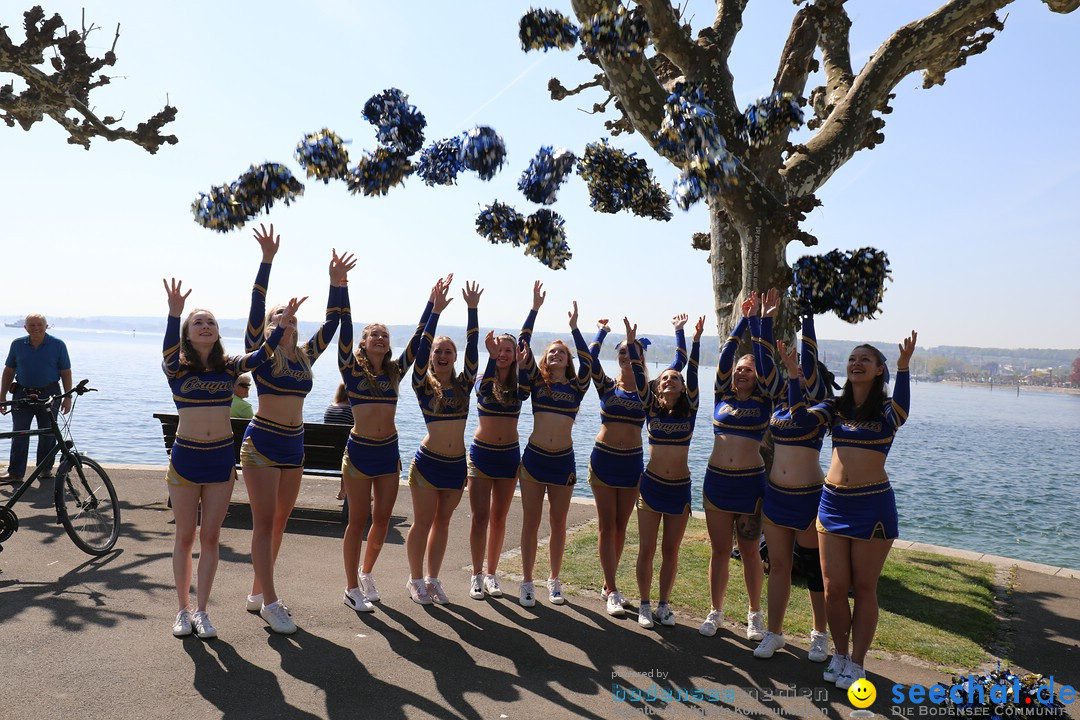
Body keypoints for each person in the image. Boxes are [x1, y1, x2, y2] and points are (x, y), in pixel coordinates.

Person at [161, 277, 301, 639]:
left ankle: (203, 610)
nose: (205, 326)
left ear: (217, 332)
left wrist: (279, 329)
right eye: (198, 322)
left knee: (210, 537)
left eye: (211, 322)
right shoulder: (176, 366)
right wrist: (174, 313)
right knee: (184, 537)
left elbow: (259, 356)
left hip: (220, 461)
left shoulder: (229, 366)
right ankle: (181, 610)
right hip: (186, 459)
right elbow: (167, 349)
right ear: (188, 333)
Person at [239, 225, 354, 634]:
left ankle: (257, 591)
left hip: (295, 446)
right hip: (263, 443)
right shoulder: (263, 356)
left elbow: (334, 325)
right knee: (264, 520)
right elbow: (255, 319)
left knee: (280, 522)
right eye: (280, 317)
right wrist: (266, 262)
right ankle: (271, 601)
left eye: (291, 317)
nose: (288, 321)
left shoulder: (305, 357)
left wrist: (335, 284)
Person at [338, 274, 445, 611]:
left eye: (385, 335)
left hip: (388, 453)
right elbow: (344, 329)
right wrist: (341, 287)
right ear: (363, 342)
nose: (381, 338)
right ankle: (351, 586)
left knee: (382, 520)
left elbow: (420, 342)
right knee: (357, 521)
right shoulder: (351, 371)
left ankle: (366, 573)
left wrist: (434, 307)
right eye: (374, 335)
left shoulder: (395, 372)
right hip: (359, 454)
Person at [817, 332, 917, 689]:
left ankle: (858, 662)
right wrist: (795, 373)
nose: (856, 363)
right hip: (831, 503)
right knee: (832, 588)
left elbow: (903, 410)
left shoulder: (887, 411)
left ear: (878, 371)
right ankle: (840, 654)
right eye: (852, 359)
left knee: (863, 587)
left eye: (865, 360)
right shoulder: (835, 407)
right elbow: (803, 411)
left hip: (871, 504)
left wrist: (903, 369)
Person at [588, 313, 687, 617]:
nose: (627, 355)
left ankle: (610, 586)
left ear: (641, 358)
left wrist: (680, 332)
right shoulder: (606, 386)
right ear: (617, 357)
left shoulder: (651, 390)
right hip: (604, 460)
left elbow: (679, 364)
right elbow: (590, 362)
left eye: (632, 352)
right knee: (606, 527)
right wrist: (602, 333)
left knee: (620, 527)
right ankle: (611, 588)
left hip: (631, 464)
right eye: (623, 351)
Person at [699, 289, 780, 641]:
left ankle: (754, 615)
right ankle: (715, 611)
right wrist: (743, 320)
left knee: (749, 551)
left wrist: (764, 325)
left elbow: (768, 369)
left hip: (750, 486)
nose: (740, 373)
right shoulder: (722, 396)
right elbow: (724, 359)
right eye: (738, 370)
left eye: (747, 370)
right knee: (718, 551)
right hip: (717, 484)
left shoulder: (766, 400)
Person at [754, 313, 832, 661]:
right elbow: (763, 365)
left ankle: (820, 634)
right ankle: (774, 633)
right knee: (779, 566)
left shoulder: (821, 408)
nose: (792, 369)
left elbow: (808, 368)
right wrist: (762, 323)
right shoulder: (779, 405)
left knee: (815, 568)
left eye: (799, 368)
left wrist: (807, 320)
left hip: (808, 498)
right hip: (776, 496)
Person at [405, 277, 481, 604]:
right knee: (422, 523)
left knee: (443, 524)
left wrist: (472, 310)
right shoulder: (423, 385)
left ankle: (433, 579)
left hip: (454, 466)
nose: (443, 355)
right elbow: (419, 353)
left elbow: (475, 353)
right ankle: (415, 579)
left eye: (449, 351)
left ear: (455, 356)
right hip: (427, 465)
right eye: (438, 351)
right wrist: (434, 312)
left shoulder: (465, 385)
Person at [466, 281, 541, 600]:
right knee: (480, 517)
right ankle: (476, 575)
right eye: (498, 349)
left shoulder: (522, 385)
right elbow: (481, 384)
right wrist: (474, 312)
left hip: (509, 456)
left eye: (508, 350)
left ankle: (493, 573)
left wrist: (534, 310)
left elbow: (524, 343)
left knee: (499, 518)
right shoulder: (483, 380)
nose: (503, 353)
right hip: (481, 456)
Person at [516, 300, 592, 608]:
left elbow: (589, 361)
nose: (556, 354)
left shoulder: (578, 386)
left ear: (567, 358)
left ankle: (554, 580)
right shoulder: (537, 381)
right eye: (552, 351)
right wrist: (533, 310)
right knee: (530, 523)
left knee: (558, 522)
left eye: (561, 352)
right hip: (534, 458)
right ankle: (526, 581)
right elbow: (523, 342)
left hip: (563, 461)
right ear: (545, 358)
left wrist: (575, 328)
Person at [633, 315, 703, 629]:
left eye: (675, 378)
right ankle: (644, 605)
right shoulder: (650, 407)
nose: (669, 380)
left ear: (682, 385)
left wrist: (689, 336)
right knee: (647, 548)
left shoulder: (692, 407)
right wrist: (635, 350)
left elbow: (694, 367)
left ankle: (664, 604)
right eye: (664, 378)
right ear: (658, 385)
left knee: (670, 551)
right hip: (651, 486)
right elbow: (638, 378)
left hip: (679, 489)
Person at [0, 314, 73, 482]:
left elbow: (66, 372)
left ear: (46, 326)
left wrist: (67, 397)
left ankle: (45, 470)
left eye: (40, 324)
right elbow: (9, 370)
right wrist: (2, 395)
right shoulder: (17, 344)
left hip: (50, 394)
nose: (36, 328)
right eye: (31, 325)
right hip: (22, 394)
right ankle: (16, 473)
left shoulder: (58, 345)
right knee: (19, 433)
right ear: (25, 327)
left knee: (48, 433)